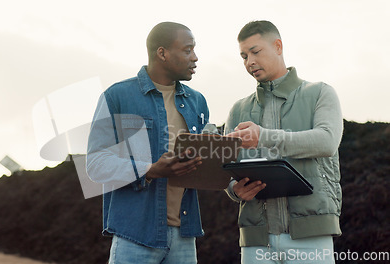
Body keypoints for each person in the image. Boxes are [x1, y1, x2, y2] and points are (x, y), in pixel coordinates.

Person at [86, 22, 209, 264]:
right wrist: (149, 170)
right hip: (135, 235)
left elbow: (205, 164)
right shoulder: (117, 97)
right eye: (187, 50)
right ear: (162, 53)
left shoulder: (198, 102)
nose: (195, 57)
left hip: (185, 235)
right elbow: (95, 164)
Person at [224, 20, 343, 264]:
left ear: (278, 46)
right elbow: (223, 165)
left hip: (312, 237)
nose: (249, 62)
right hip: (256, 241)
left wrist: (263, 137)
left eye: (255, 52)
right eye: (244, 56)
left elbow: (327, 141)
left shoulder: (320, 92)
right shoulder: (238, 109)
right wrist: (234, 190)